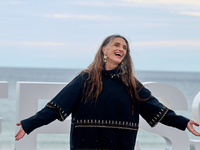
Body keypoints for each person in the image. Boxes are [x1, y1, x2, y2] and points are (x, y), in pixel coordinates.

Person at [15, 34, 200, 149]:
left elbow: (157, 110)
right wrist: (29, 124)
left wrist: (184, 122)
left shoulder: (131, 84)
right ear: (105, 49)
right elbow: (56, 108)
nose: (121, 49)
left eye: (125, 48)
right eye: (117, 45)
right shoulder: (85, 79)